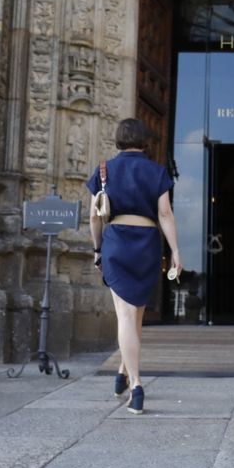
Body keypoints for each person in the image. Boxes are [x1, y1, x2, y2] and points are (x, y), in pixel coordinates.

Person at [86, 119, 181, 415]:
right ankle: (123, 372)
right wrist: (175, 250)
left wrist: (97, 249)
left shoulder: (104, 170)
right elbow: (165, 214)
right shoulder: (157, 171)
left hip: (117, 242)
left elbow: (94, 216)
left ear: (118, 139)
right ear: (144, 140)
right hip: (147, 244)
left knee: (126, 315)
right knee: (135, 315)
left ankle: (136, 386)